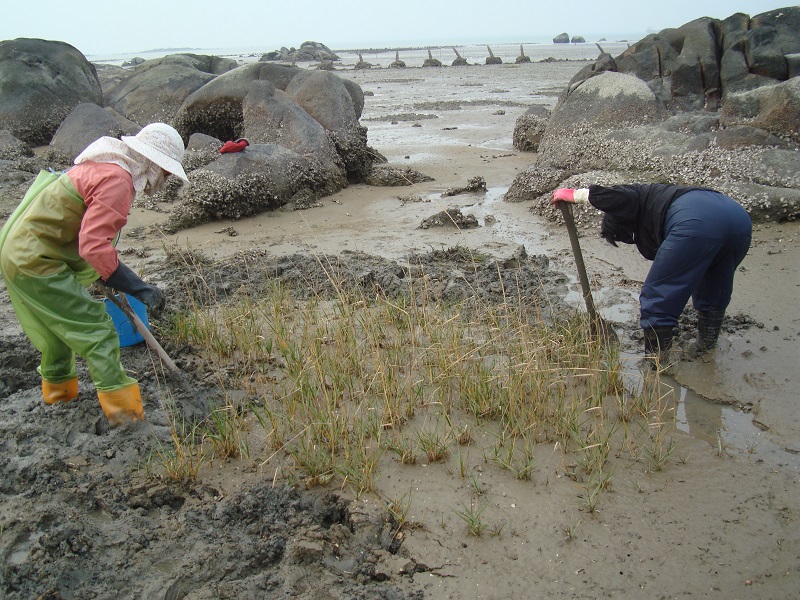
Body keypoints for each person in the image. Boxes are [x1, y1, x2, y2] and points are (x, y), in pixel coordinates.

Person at [0, 123, 189, 425]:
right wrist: (139, 287)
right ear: (154, 164)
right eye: (166, 172)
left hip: (16, 250)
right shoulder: (118, 180)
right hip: (37, 259)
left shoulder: (104, 164)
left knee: (54, 333)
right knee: (96, 330)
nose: (164, 180)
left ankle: (59, 398)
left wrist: (105, 273)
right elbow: (92, 246)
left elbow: (77, 229)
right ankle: (126, 415)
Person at [551, 184, 752, 361]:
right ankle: (707, 345)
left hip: (695, 222)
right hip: (738, 220)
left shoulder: (635, 197)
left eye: (627, 238)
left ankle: (657, 364)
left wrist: (574, 195)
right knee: (715, 282)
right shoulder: (658, 197)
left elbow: (615, 196)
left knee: (658, 294)